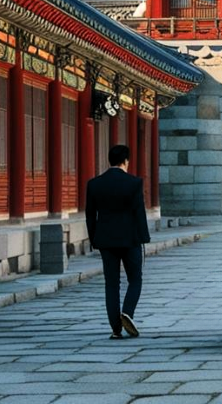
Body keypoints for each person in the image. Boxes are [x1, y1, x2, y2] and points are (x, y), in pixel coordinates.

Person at [86, 144, 151, 339]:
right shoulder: (134, 183)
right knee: (135, 279)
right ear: (126, 161)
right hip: (130, 238)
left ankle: (115, 329)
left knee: (111, 284)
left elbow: (90, 215)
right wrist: (144, 238)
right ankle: (127, 313)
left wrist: (94, 239)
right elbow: (139, 213)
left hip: (106, 240)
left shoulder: (94, 184)